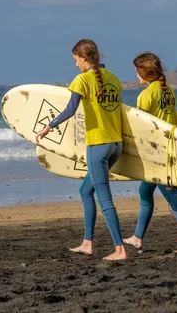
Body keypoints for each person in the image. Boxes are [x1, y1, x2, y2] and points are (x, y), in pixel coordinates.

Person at [35, 39, 126, 261]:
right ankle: (87, 242)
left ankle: (119, 249)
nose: (75, 65)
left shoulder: (82, 80)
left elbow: (70, 109)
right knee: (86, 192)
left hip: (97, 145)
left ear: (84, 58)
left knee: (105, 200)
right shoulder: (113, 78)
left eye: (76, 60)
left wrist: (48, 127)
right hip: (116, 145)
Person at [123, 52, 177, 253]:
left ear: (144, 72)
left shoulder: (146, 95)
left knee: (169, 193)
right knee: (145, 191)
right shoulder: (169, 91)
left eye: (137, 71)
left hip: (156, 152)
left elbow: (142, 127)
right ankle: (137, 237)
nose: (136, 75)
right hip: (170, 147)